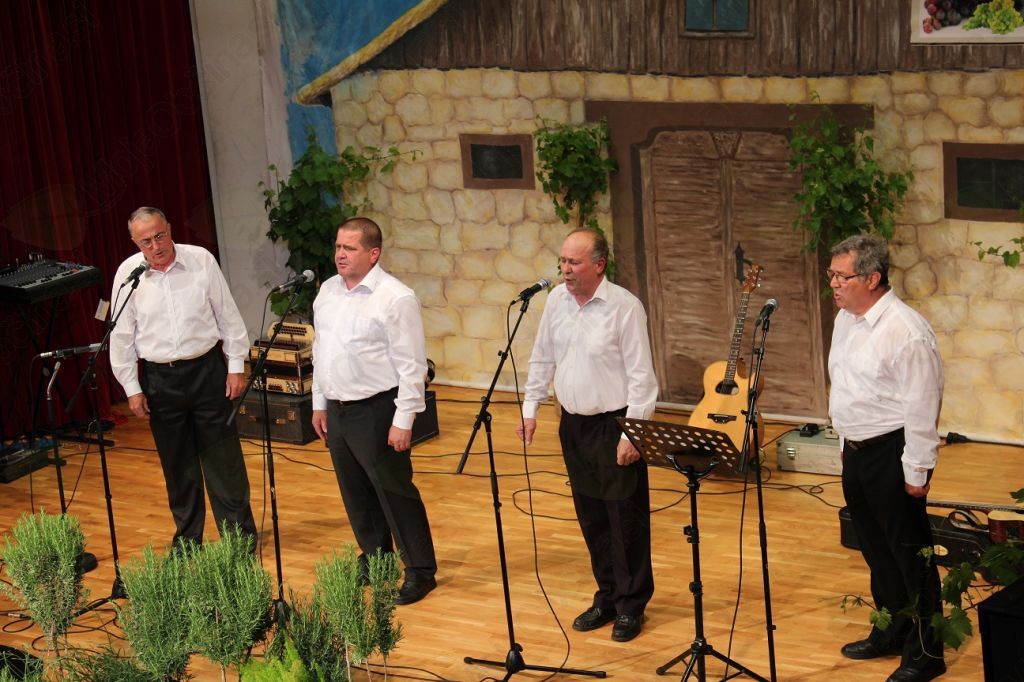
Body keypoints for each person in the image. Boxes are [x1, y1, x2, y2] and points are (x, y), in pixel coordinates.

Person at [516, 228, 659, 643]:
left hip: (615, 425)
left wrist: (633, 433)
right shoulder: (556, 301)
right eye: (562, 261)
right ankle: (608, 596)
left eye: (573, 262)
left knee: (624, 519)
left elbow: (642, 377)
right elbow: (542, 357)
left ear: (599, 265)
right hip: (573, 425)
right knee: (592, 517)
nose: (565, 269)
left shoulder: (624, 307)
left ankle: (632, 604)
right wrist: (531, 407)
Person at [828, 234, 945, 682]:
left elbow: (922, 407)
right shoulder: (845, 320)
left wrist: (917, 470)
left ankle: (926, 653)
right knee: (876, 552)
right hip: (856, 450)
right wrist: (845, 445)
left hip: (892, 452)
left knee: (911, 556)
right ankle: (892, 630)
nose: (834, 284)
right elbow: (848, 388)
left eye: (842, 276)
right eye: (832, 275)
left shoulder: (906, 331)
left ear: (872, 278)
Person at [109, 207, 257, 549]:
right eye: (146, 241)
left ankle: (238, 538)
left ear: (170, 229)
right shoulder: (128, 274)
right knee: (177, 465)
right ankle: (188, 540)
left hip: (207, 371)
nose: (155, 246)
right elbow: (121, 336)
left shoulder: (200, 260)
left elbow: (227, 313)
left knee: (224, 460)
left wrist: (236, 365)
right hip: (161, 380)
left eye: (160, 236)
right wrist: (132, 388)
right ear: (135, 243)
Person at [311, 217, 437, 605]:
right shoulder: (327, 291)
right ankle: (376, 556)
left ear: (373, 253)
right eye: (338, 247)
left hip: (378, 409)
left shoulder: (395, 297)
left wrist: (404, 420)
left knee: (394, 491)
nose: (340, 255)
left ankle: (420, 569)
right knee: (355, 492)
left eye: (349, 248)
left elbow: (412, 365)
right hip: (338, 409)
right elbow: (321, 351)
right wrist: (319, 402)